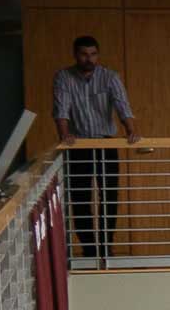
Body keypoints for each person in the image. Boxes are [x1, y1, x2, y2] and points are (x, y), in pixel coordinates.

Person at [48, 33, 138, 263]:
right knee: (80, 198)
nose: (89, 59)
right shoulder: (64, 77)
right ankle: (90, 249)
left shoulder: (109, 77)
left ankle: (106, 247)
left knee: (109, 197)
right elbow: (61, 109)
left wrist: (131, 130)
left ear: (98, 55)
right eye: (84, 54)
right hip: (79, 144)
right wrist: (64, 134)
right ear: (76, 55)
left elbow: (122, 105)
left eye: (93, 54)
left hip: (106, 142)